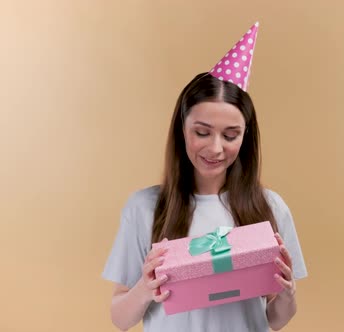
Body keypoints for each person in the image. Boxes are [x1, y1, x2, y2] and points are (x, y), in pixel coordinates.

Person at [102, 22, 307, 332]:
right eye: (202, 132)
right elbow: (120, 318)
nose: (216, 148)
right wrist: (145, 288)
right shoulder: (144, 207)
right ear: (182, 129)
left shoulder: (270, 208)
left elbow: (275, 320)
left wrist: (287, 292)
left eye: (230, 135)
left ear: (245, 137)